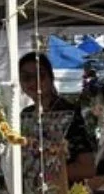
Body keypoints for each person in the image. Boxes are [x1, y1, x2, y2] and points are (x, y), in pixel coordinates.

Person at [18, 51, 96, 183]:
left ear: (51, 77)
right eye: (26, 77)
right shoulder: (26, 114)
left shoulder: (70, 113)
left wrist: (46, 176)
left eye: (40, 75)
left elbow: (87, 167)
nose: (33, 82)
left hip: (65, 191)